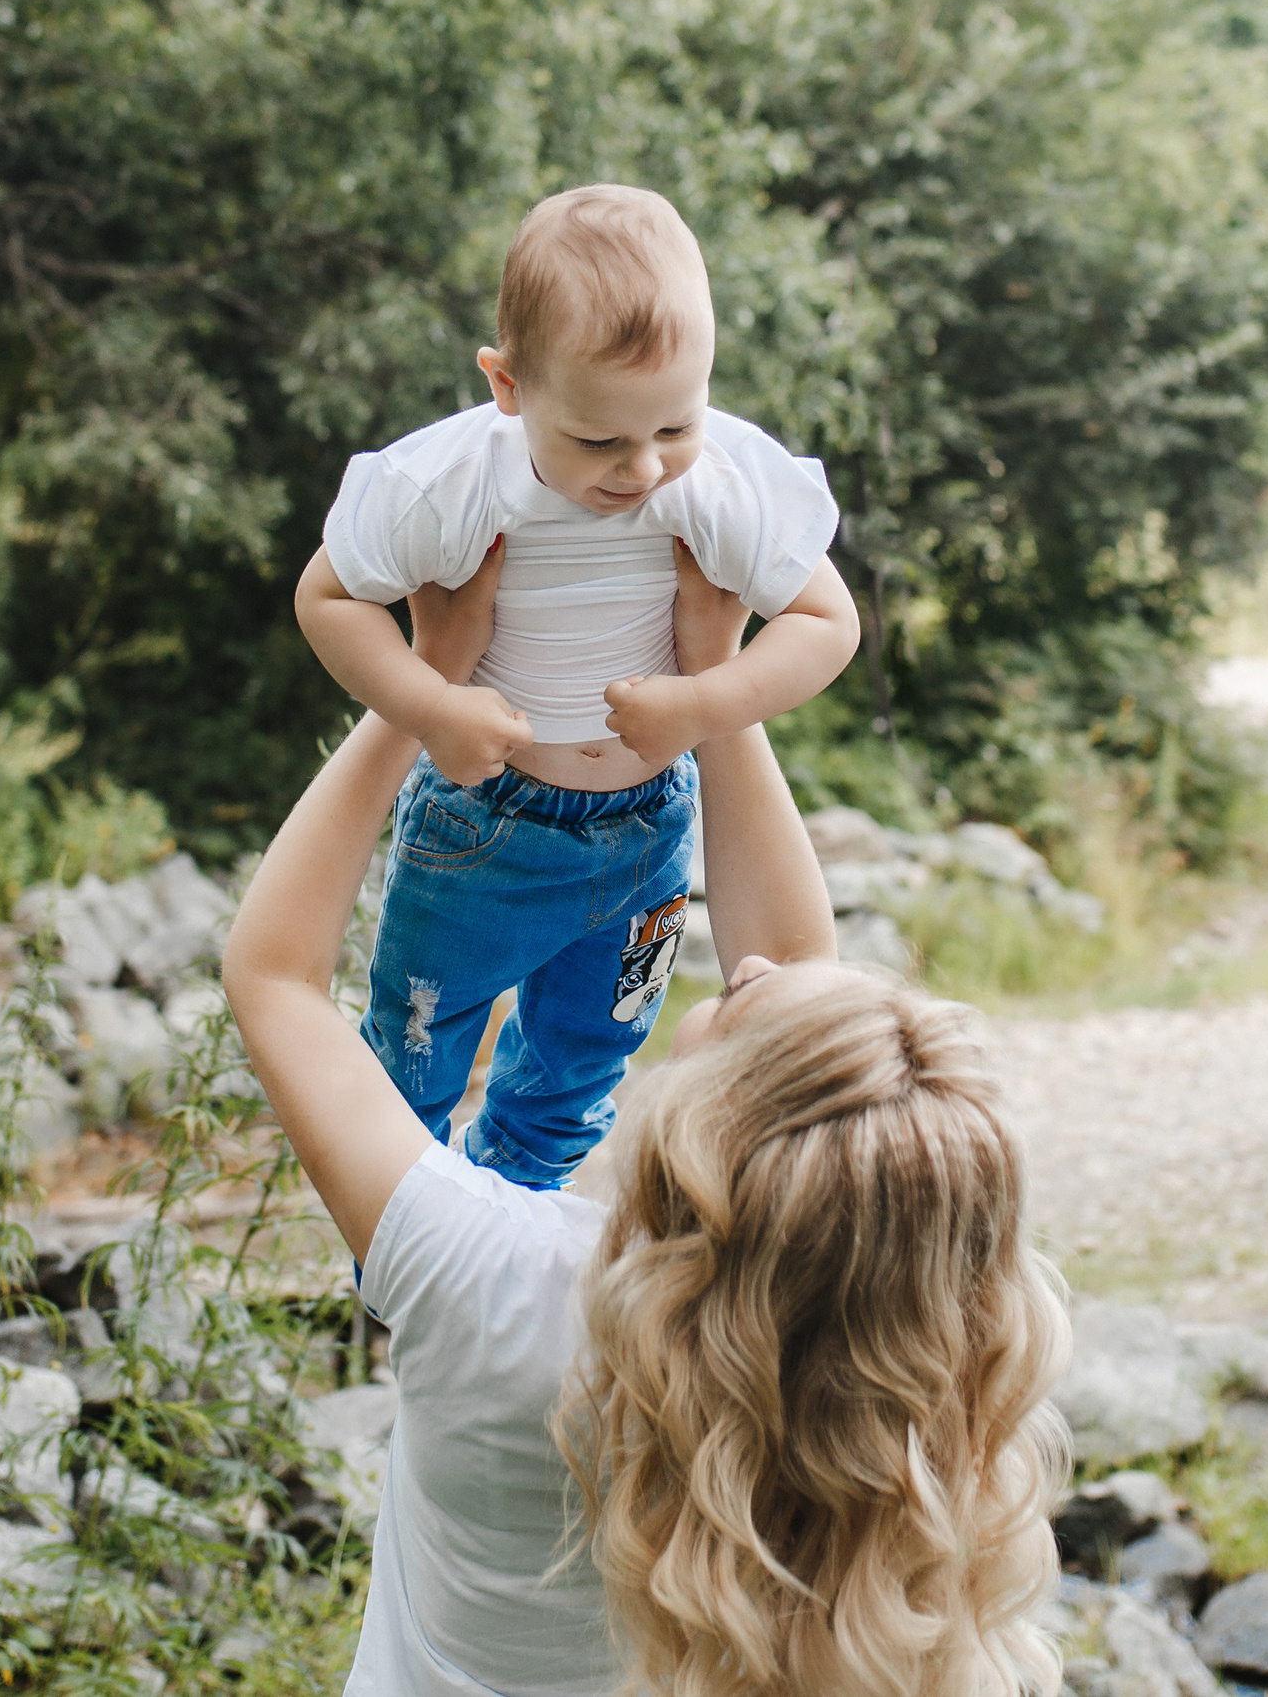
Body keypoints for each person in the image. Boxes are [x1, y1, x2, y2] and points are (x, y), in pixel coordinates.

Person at [223, 568, 1072, 1697]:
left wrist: (419, 691)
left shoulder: (490, 1289)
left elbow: (274, 974)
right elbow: (816, 1067)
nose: (757, 959)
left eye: (745, 999)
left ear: (715, 1136)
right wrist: (712, 688)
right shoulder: (911, 1420)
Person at [294, 183, 860, 1190]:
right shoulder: (450, 483)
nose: (642, 470)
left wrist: (702, 703)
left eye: (673, 427)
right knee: (416, 1052)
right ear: (507, 386)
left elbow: (827, 625)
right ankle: (401, 1265)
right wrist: (433, 707)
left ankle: (520, 1210)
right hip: (480, 826)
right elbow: (327, 599)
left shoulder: (719, 478)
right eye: (599, 441)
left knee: (583, 1064)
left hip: (647, 842)